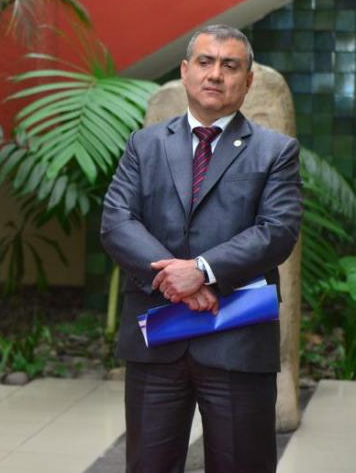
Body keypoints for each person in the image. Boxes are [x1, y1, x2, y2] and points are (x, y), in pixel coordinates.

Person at [101, 25, 302, 472]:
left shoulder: (276, 151)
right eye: (206, 63)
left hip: (236, 337)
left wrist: (204, 270)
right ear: (186, 71)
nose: (216, 74)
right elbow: (117, 222)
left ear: (247, 81)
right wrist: (181, 282)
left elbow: (278, 229)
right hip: (158, 336)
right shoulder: (143, 144)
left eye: (230, 65)